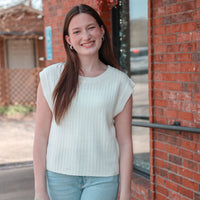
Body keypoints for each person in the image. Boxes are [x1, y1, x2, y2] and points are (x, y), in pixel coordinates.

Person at [33, 4, 135, 200]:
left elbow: (125, 143)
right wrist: (40, 191)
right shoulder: (50, 77)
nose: (86, 36)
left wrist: (125, 193)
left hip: (103, 179)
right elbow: (41, 137)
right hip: (58, 177)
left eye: (91, 28)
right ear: (69, 40)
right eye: (77, 31)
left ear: (102, 31)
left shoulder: (120, 83)